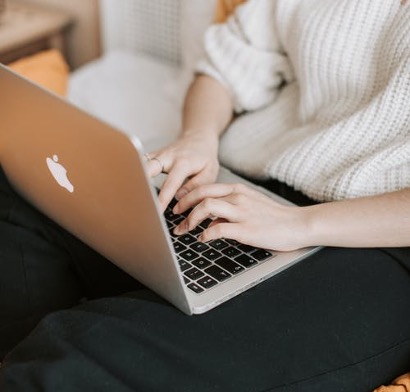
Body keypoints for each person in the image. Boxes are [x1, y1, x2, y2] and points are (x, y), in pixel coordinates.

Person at [0, 0, 410, 391]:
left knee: (84, 357)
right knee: (17, 195)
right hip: (249, 188)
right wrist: (198, 139)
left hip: (377, 241)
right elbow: (226, 67)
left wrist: (299, 224)